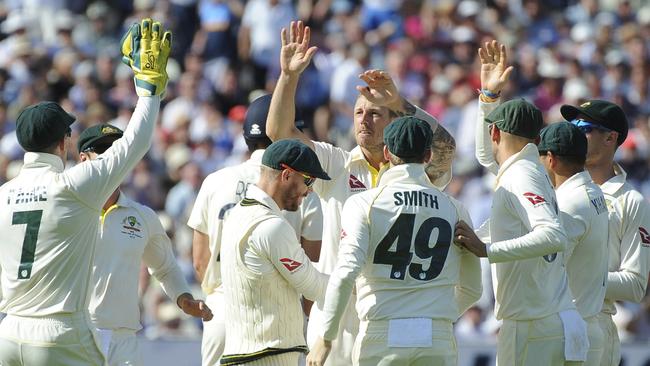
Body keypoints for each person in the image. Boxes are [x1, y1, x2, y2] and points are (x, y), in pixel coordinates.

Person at [266, 21, 456, 364]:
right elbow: (280, 134)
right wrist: (288, 77)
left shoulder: (419, 172)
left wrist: (400, 102)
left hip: (389, 315)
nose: (364, 120)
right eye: (358, 112)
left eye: (375, 113)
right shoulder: (335, 164)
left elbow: (445, 150)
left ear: (394, 122)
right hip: (338, 318)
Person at [0, 18, 170, 365]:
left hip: (9, 332)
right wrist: (149, 88)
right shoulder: (73, 186)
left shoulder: (3, 194)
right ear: (65, 143)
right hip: (59, 334)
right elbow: (133, 144)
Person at [454, 40, 588, 365]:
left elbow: (552, 234)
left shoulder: (521, 175)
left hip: (534, 325)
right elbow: (487, 154)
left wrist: (488, 251)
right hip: (550, 319)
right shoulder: (527, 167)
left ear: (496, 133)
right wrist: (488, 97)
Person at [307, 116, 481, 366]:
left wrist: (326, 338)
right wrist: (435, 318)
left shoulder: (363, 203)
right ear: (428, 156)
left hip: (382, 334)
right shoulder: (455, 208)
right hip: (436, 337)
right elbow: (473, 289)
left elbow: (345, 274)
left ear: (387, 153)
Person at [188, 94, 323, 365]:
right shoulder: (304, 186)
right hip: (274, 323)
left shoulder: (214, 181)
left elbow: (200, 262)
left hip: (221, 313)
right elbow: (310, 267)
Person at [77, 123, 212, 366]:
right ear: (83, 159)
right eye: (104, 152)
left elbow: (165, 268)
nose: (115, 160)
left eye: (119, 151)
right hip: (76, 336)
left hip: (124, 339)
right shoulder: (66, 211)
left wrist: (183, 298)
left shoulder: (143, 216)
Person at [219, 139, 330, 365]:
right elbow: (314, 287)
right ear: (286, 175)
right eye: (308, 180)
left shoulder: (237, 214)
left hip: (248, 355)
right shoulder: (271, 226)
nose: (309, 190)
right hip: (267, 357)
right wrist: (361, 281)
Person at [559, 99, 650, 366]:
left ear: (611, 138)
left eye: (584, 127)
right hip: (548, 319)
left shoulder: (630, 200)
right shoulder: (556, 185)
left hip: (593, 326)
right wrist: (488, 98)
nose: (574, 133)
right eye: (572, 125)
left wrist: (579, 275)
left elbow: (635, 285)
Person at [538, 122, 609, 365]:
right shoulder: (593, 192)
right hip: (587, 324)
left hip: (570, 333)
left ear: (550, 159)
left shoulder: (570, 203)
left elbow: (543, 267)